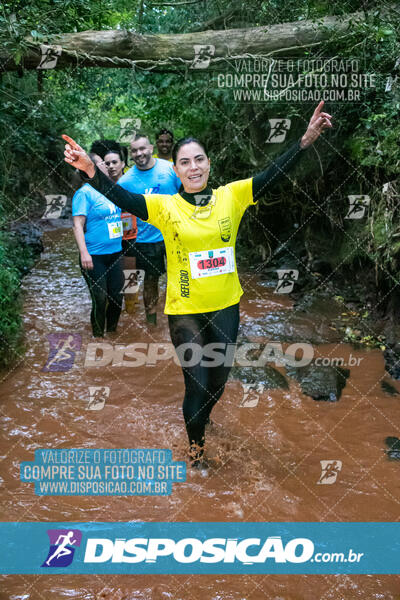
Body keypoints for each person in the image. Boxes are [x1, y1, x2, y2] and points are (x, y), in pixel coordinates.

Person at [63, 101, 332, 466]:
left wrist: (305, 141)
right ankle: (197, 453)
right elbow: (120, 196)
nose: (193, 167)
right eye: (185, 162)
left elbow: (273, 176)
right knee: (198, 384)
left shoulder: (231, 197)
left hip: (225, 308)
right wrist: (90, 169)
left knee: (217, 385)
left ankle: (201, 421)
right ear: (175, 169)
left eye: (199, 159)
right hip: (185, 311)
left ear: (209, 164)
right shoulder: (165, 206)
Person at [118, 133, 181, 325]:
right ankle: (152, 322)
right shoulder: (125, 182)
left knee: (181, 277)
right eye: (135, 150)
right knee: (151, 281)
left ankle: (182, 317)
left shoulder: (171, 169)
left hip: (174, 236)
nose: (139, 153)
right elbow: (123, 215)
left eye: (142, 148)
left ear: (151, 148)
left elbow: (185, 195)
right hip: (146, 240)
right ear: (131, 153)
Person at [71, 152, 124, 338]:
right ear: (91, 167)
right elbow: (77, 224)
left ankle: (112, 334)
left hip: (116, 253)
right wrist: (84, 253)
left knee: (117, 298)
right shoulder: (84, 193)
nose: (108, 165)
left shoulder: (111, 189)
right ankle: (98, 339)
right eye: (103, 163)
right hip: (94, 256)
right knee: (100, 299)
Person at [104, 148, 139, 314]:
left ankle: (132, 313)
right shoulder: (102, 186)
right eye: (107, 163)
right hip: (109, 240)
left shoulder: (132, 183)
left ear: (123, 164)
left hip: (131, 236)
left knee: (131, 278)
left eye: (114, 162)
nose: (111, 166)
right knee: (112, 282)